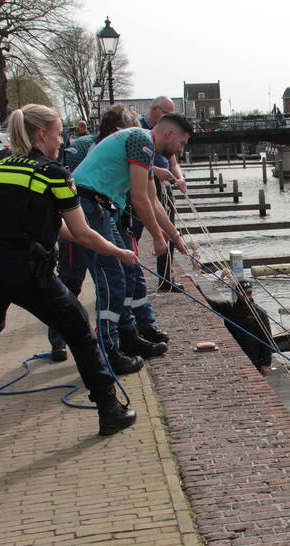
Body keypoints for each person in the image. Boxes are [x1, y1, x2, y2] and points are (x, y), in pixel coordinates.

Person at [0, 104, 140, 465]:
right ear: (41, 135)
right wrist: (118, 251)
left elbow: (54, 227)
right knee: (80, 331)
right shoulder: (55, 174)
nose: (61, 139)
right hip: (27, 271)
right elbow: (82, 233)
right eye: (57, 133)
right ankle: (109, 410)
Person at [69, 112, 193, 372]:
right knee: (111, 279)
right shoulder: (141, 140)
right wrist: (158, 237)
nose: (179, 151)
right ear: (169, 134)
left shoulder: (143, 149)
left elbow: (153, 201)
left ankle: (129, 337)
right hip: (89, 205)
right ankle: (106, 349)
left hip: (102, 208)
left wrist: (174, 236)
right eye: (181, 143)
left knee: (127, 273)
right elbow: (139, 199)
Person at [48, 104, 139, 362]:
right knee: (95, 281)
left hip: (79, 220)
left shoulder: (93, 146)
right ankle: (99, 345)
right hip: (85, 220)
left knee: (71, 284)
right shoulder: (113, 149)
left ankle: (64, 342)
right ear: (120, 131)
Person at [136, 96, 187, 291]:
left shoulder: (167, 133)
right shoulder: (141, 130)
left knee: (169, 224)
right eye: (167, 113)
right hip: (146, 180)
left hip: (163, 184)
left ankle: (166, 277)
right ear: (155, 109)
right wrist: (156, 171)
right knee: (140, 225)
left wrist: (180, 179)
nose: (169, 118)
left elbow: (173, 162)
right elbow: (137, 161)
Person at [223, 281, 272, 376]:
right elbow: (210, 303)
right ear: (237, 294)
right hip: (235, 357)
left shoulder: (260, 313)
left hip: (255, 359)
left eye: (249, 293)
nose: (247, 296)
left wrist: (266, 364)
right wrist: (196, 285)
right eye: (244, 294)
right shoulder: (230, 309)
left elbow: (267, 339)